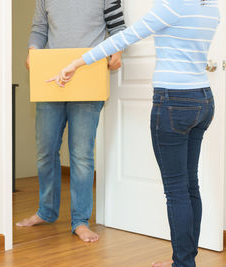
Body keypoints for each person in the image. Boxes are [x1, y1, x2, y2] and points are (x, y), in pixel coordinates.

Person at [48, 0, 219, 266]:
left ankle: (183, 263)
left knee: (177, 191)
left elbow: (125, 37)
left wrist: (75, 64)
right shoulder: (211, 7)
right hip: (203, 100)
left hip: (174, 102)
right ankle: (184, 261)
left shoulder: (172, 6)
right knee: (189, 185)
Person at [16, 0, 127, 242]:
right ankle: (46, 211)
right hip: (51, 80)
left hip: (89, 78)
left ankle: (80, 221)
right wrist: (33, 50)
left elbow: (118, 27)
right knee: (45, 150)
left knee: (81, 155)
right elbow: (39, 28)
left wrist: (117, 52)